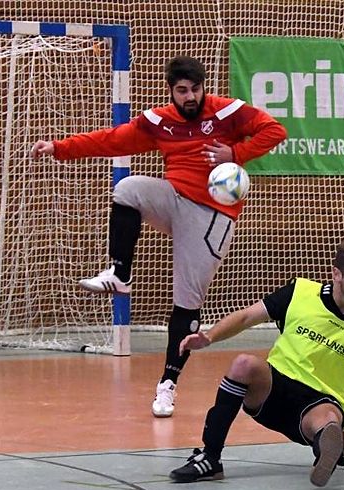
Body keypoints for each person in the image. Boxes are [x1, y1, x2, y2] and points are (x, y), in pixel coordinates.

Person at [31, 56, 287, 418]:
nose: (190, 97)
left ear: (203, 87)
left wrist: (236, 153)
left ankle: (168, 384)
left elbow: (275, 131)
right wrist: (59, 148)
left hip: (211, 218)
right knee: (128, 188)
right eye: (182, 91)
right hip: (173, 199)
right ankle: (120, 274)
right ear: (171, 91)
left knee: (186, 303)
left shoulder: (227, 112)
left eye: (195, 89)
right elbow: (111, 141)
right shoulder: (159, 121)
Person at [168, 236, 344, 488]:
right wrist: (210, 337)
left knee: (328, 420)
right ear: (337, 274)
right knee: (243, 364)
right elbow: (247, 316)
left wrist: (343, 429)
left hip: (319, 403)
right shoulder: (300, 292)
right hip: (274, 390)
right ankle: (210, 458)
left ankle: (327, 447)